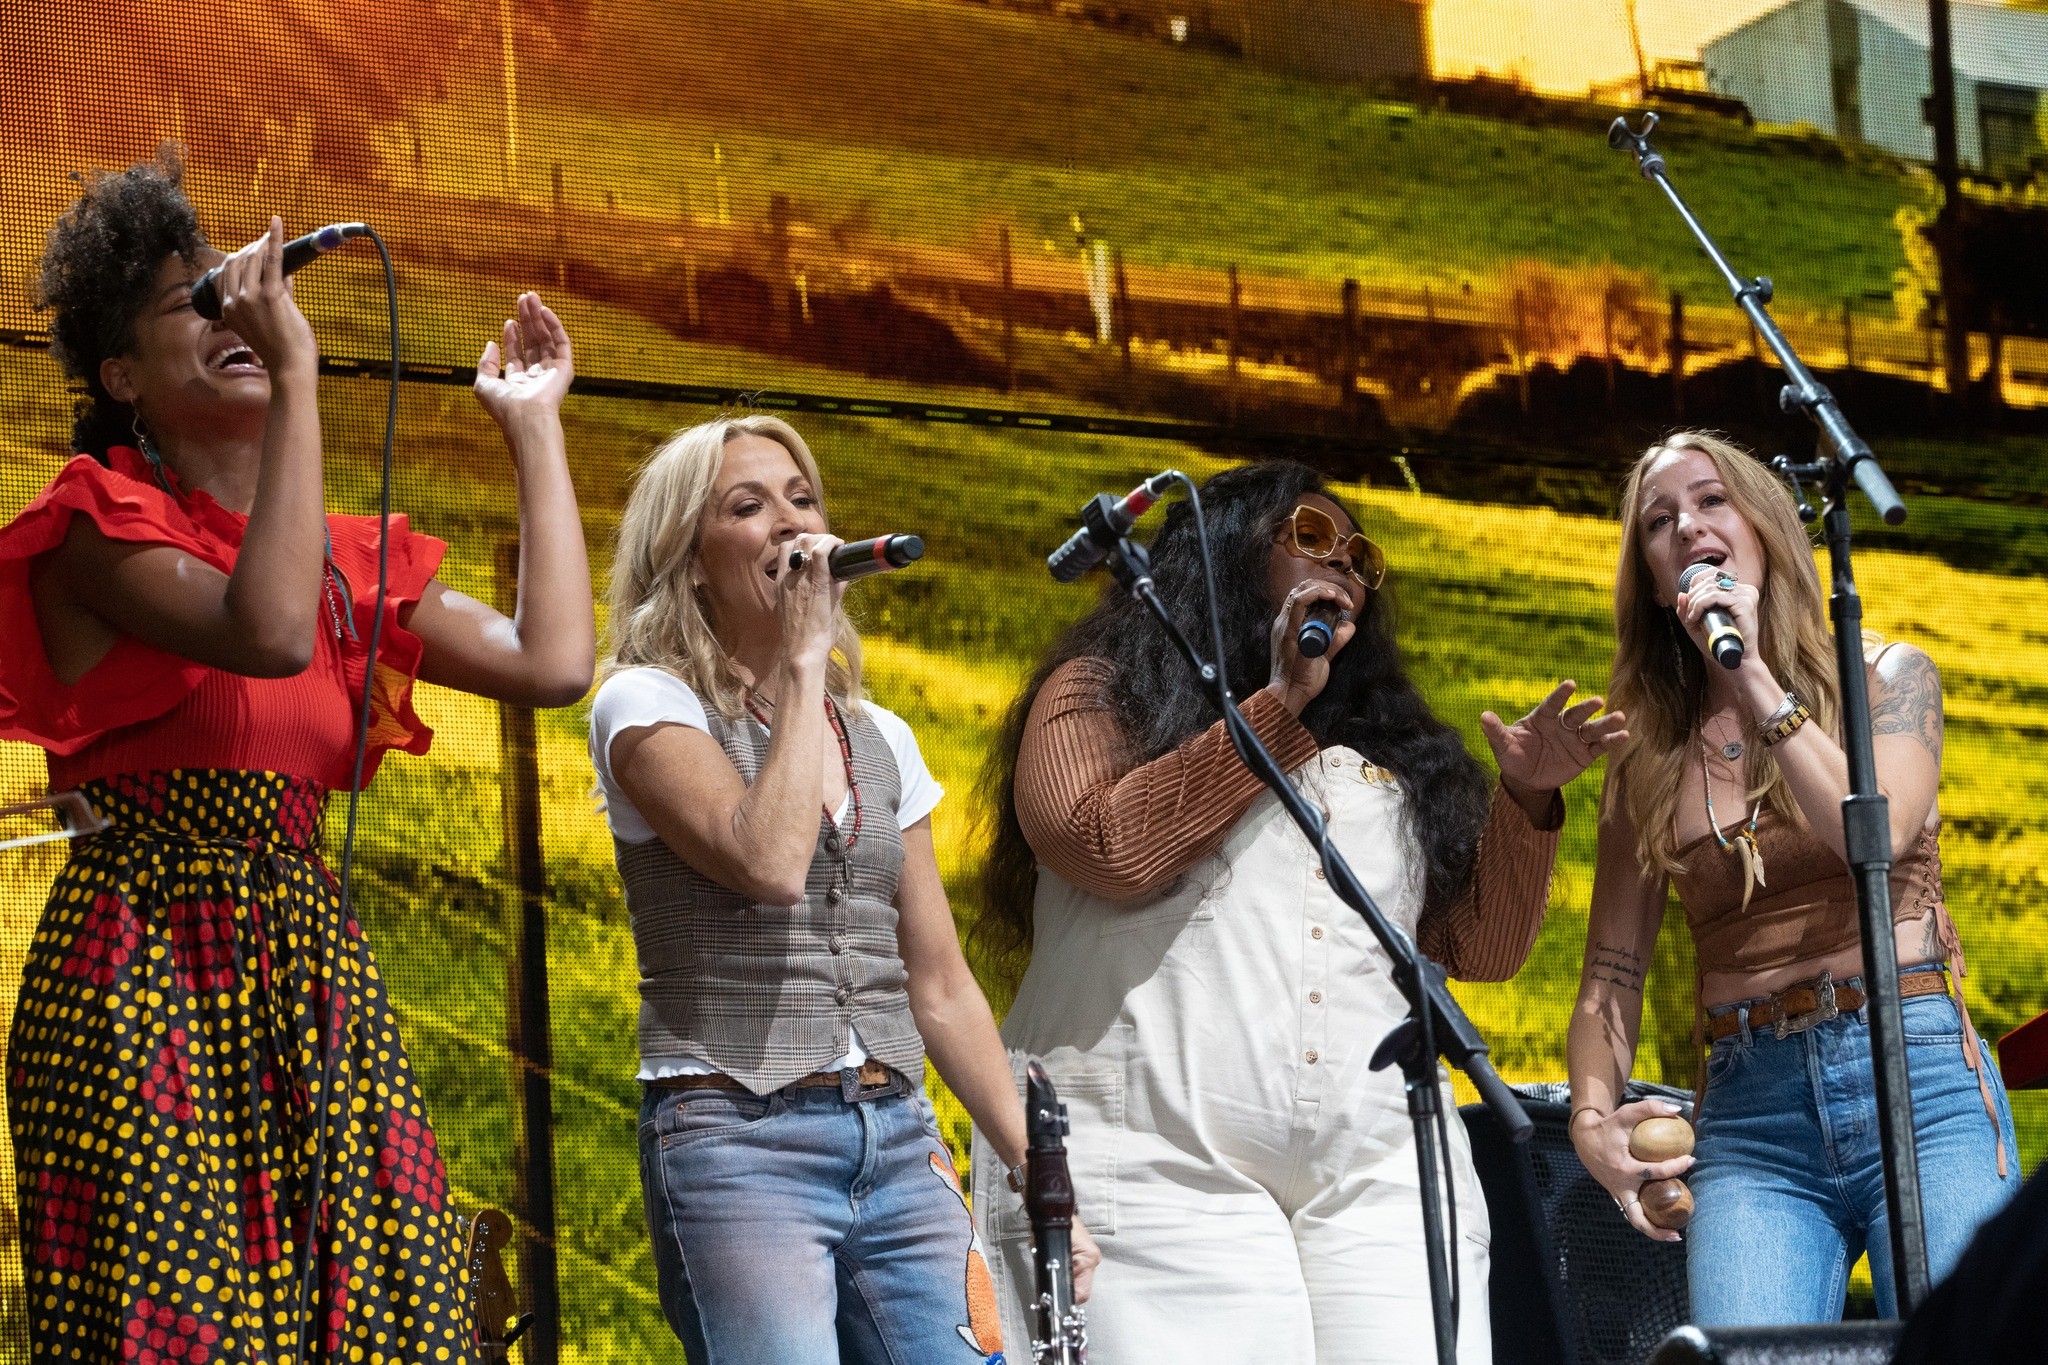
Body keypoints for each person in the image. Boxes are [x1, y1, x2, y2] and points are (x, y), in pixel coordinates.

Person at [0, 149, 594, 1362]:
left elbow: (551, 661)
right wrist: (301, 373)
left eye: (232, 293)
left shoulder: (347, 554)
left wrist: (531, 428)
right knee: (182, 1326)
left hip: (308, 962)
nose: (232, 315)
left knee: (388, 1316)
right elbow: (264, 633)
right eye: (193, 304)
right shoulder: (97, 525)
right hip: (140, 962)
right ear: (122, 375)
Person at [972, 460, 1625, 1363]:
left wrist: (1526, 802)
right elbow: (1104, 846)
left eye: (1361, 556)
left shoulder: (1395, 751)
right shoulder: (1100, 690)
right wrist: (1278, 706)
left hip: (1372, 1164)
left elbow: (1477, 943)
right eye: (1312, 539)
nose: (1345, 565)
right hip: (1154, 1151)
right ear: (1226, 555)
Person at [587, 413, 1097, 1365]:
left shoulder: (884, 740)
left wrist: (1040, 1174)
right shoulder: (646, 705)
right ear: (691, 559)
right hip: (738, 1138)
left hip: (895, 1131)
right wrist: (802, 656)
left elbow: (938, 983)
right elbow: (769, 862)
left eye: (802, 497)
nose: (790, 523)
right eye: (748, 505)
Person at [1566, 432, 2019, 1323]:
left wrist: (1754, 678)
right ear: (1655, 582)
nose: (1687, 527)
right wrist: (1590, 1120)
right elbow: (1611, 977)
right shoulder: (1646, 758)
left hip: (1914, 1068)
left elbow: (1873, 831)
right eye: (1659, 522)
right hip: (1751, 1106)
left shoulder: (1888, 677)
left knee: (1964, 1345)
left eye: (1709, 501)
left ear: (1765, 527)